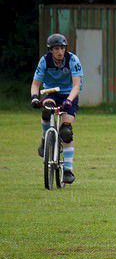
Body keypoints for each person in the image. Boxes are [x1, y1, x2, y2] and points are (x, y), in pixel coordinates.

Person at [30, 33, 83, 184]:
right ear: (50, 50)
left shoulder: (72, 60)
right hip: (51, 93)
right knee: (47, 109)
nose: (60, 52)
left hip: (69, 94)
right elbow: (36, 84)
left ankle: (67, 170)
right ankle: (44, 137)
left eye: (62, 48)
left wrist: (69, 100)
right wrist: (34, 97)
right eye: (56, 49)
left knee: (66, 131)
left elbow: (77, 85)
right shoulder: (45, 61)